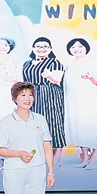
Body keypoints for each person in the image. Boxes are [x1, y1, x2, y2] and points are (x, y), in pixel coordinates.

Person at [63, 38, 97, 169]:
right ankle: (85, 157)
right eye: (73, 47)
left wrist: (91, 78)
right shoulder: (68, 66)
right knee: (79, 127)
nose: (76, 49)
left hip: (91, 100)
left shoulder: (94, 62)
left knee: (95, 126)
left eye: (80, 46)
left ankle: (95, 156)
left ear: (86, 48)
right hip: (74, 101)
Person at [22, 37, 66, 167]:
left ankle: (57, 156)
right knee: (34, 124)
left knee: (54, 123)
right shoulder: (27, 63)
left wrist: (49, 76)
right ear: (33, 48)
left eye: (45, 46)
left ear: (50, 49)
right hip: (32, 96)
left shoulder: (54, 62)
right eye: (38, 46)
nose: (41, 49)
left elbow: (58, 80)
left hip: (50, 94)